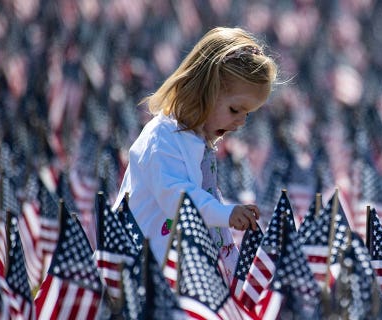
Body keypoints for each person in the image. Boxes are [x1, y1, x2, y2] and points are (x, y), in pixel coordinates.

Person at [113, 27, 278, 282]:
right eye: (235, 109)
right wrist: (226, 214)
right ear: (204, 90)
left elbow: (205, 198)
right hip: (139, 270)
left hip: (175, 271)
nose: (241, 122)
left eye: (248, 114)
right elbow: (178, 199)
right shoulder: (162, 137)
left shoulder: (198, 143)